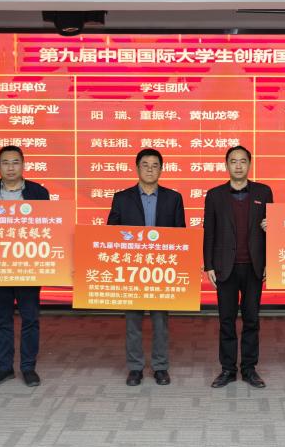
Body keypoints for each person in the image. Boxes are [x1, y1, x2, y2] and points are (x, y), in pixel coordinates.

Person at [108, 148, 186, 386]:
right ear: (137, 168)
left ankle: (160, 367)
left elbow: (181, 235)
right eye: (145, 165)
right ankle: (135, 368)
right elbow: (110, 233)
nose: (150, 170)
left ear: (161, 170)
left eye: (155, 166)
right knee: (132, 321)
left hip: (161, 269)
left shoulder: (173, 198)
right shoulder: (122, 198)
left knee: (161, 321)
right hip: (132, 269)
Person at [0, 145, 50, 388]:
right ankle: (4, 368)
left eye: (15, 162)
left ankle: (28, 367)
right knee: (2, 319)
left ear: (23, 165)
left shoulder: (39, 193)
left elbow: (49, 228)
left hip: (29, 265)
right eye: (6, 163)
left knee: (30, 318)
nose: (10, 167)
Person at [204, 146, 274, 389]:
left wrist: (270, 261)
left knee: (252, 319)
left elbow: (272, 229)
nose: (238, 165)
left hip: (254, 266)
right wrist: (208, 265)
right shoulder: (214, 195)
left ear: (249, 164)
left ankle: (249, 369)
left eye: (243, 161)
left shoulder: (264, 192)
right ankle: (227, 369)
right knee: (227, 320)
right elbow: (209, 232)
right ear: (226, 165)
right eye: (233, 161)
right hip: (225, 268)